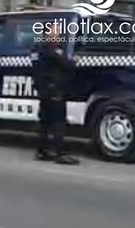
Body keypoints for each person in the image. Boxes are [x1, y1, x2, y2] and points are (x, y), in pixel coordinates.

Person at [31, 22, 80, 165]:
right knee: (58, 122)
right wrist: (73, 61)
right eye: (55, 31)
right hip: (54, 90)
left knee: (45, 122)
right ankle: (60, 153)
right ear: (47, 34)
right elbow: (67, 65)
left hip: (45, 90)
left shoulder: (39, 49)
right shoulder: (50, 51)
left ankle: (43, 151)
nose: (58, 33)